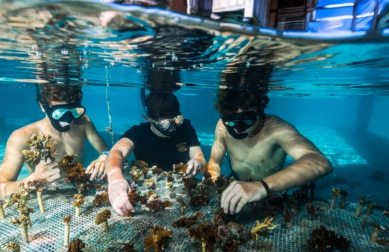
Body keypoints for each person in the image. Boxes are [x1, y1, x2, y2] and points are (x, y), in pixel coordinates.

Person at [207, 65, 333, 215]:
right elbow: (214, 162)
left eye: (246, 120)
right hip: (236, 184)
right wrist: (213, 183)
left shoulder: (277, 129)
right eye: (231, 121)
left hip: (270, 192)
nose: (238, 129)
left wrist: (263, 186)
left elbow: (320, 162)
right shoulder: (222, 126)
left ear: (260, 110)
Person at [0, 84, 109, 201]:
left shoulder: (83, 122)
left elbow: (107, 152)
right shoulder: (22, 137)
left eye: (74, 111)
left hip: (81, 194)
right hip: (45, 201)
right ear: (43, 106)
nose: (68, 120)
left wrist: (105, 156)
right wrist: (33, 180)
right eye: (60, 112)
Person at [105, 91, 206, 216]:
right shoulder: (138, 133)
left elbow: (200, 159)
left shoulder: (186, 128)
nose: (173, 128)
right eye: (165, 124)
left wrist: (197, 162)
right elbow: (116, 152)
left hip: (182, 193)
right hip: (148, 195)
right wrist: (115, 180)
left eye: (177, 120)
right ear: (150, 120)